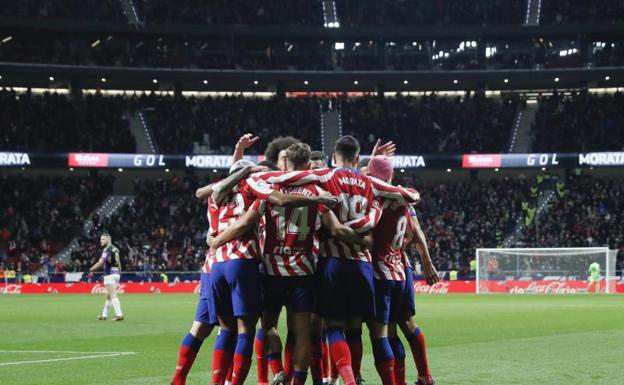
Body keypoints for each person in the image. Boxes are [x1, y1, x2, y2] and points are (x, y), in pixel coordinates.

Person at [256, 136, 419, 385]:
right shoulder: (370, 182)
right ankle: (362, 378)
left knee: (332, 328)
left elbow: (287, 179)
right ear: (357, 158)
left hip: (331, 263)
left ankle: (346, 381)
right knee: (356, 330)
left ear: (333, 157)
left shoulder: (324, 177)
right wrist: (362, 237)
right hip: (363, 266)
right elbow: (406, 195)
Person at [213, 143, 371, 385]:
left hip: (272, 270)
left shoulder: (267, 188)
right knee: (301, 334)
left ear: (286, 163)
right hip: (303, 271)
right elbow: (334, 229)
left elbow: (248, 219)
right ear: (308, 165)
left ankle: (277, 372)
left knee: (268, 327)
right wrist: (365, 240)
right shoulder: (316, 191)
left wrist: (216, 239)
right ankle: (297, 381)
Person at [365, 155, 438, 385]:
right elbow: (415, 232)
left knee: (384, 332)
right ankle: (425, 376)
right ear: (392, 175)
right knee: (407, 324)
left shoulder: (372, 196)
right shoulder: (404, 198)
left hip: (379, 272)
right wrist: (426, 262)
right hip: (401, 269)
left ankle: (397, 382)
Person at [89, 232, 123, 321]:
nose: (101, 241)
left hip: (110, 275)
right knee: (109, 296)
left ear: (108, 239)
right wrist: (119, 272)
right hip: (116, 274)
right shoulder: (116, 249)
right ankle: (104, 315)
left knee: (112, 295)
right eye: (101, 239)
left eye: (103, 239)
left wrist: (90, 270)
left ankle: (119, 315)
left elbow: (100, 263)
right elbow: (119, 263)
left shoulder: (107, 250)